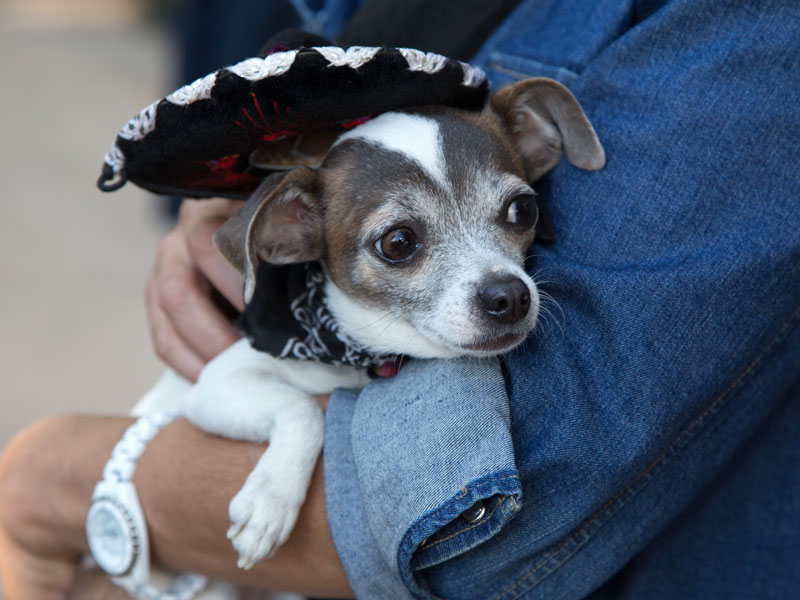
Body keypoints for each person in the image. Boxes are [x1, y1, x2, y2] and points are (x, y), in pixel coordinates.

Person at [2, 0, 799, 598]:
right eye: (402, 243)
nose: (498, 284)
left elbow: (478, 515)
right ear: (287, 231)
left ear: (543, 143)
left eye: (514, 213)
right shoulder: (299, 319)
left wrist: (57, 480)